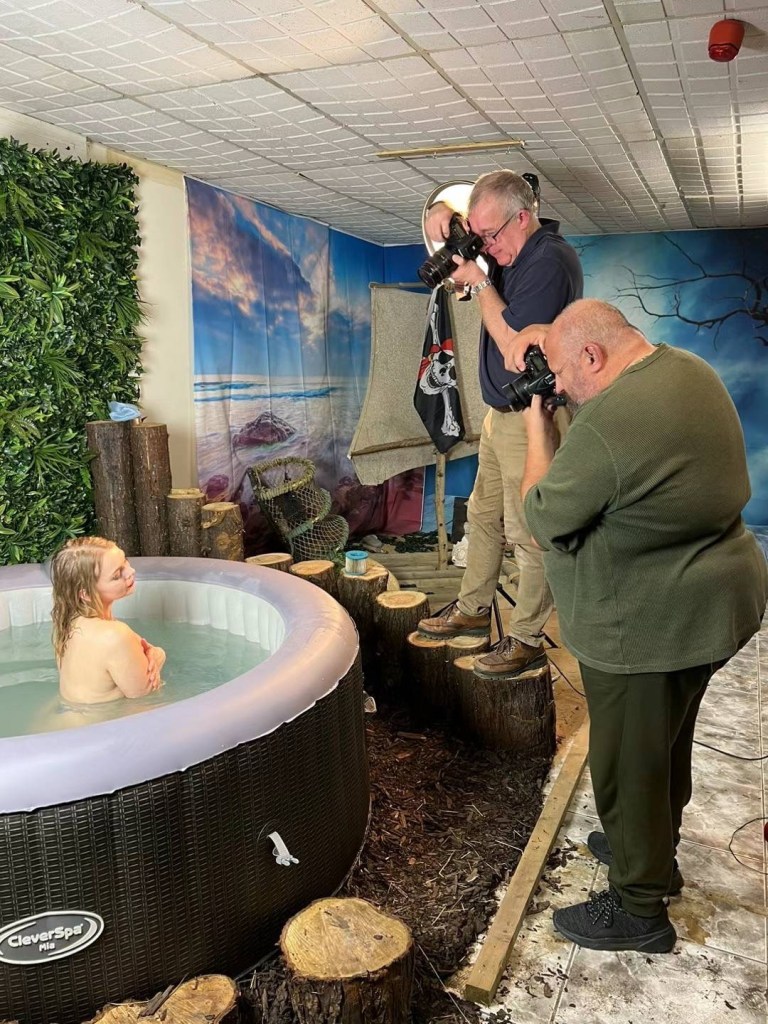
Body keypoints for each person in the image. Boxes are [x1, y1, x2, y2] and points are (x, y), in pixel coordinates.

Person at [520, 298, 768, 952]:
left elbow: (541, 519)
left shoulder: (612, 422)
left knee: (627, 767)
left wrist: (537, 428)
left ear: (593, 355)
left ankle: (639, 909)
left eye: (561, 373)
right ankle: (654, 852)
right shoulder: (685, 369)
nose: (558, 388)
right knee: (662, 744)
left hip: (647, 627)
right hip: (715, 604)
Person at [417, 170, 583, 676]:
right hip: (500, 416)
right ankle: (472, 609)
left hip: (534, 417)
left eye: (491, 235)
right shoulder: (511, 251)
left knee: (530, 532)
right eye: (480, 235)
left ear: (524, 217)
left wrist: (481, 280)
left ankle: (526, 637)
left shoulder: (549, 261)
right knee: (484, 515)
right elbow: (470, 239)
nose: (487, 245)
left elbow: (514, 345)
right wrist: (444, 217)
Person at [51, 536, 166, 704]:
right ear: (86, 594)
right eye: (117, 575)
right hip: (99, 720)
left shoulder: (68, 625)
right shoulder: (115, 635)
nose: (131, 571)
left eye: (125, 561)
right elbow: (144, 700)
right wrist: (159, 656)